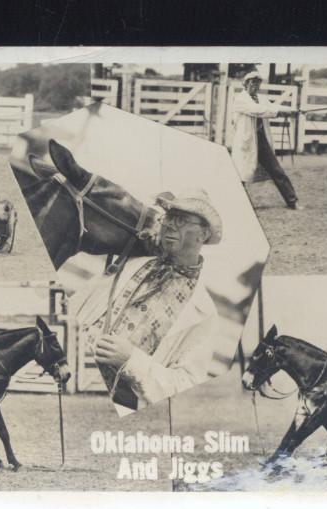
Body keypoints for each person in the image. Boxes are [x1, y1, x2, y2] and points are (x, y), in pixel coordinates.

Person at [70, 188, 222, 414]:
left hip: (125, 408)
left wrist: (130, 360)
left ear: (203, 234)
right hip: (79, 386)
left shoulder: (205, 313)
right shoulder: (128, 266)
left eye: (181, 220)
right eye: (168, 217)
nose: (170, 224)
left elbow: (186, 384)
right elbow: (75, 308)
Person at [231, 70, 301, 210]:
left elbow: (272, 106)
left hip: (261, 140)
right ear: (245, 84)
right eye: (252, 83)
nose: (255, 86)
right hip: (246, 141)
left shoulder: (261, 98)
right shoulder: (240, 99)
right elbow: (258, 110)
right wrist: (281, 112)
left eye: (257, 83)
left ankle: (292, 201)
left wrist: (292, 109)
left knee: (276, 170)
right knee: (241, 174)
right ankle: (239, 204)